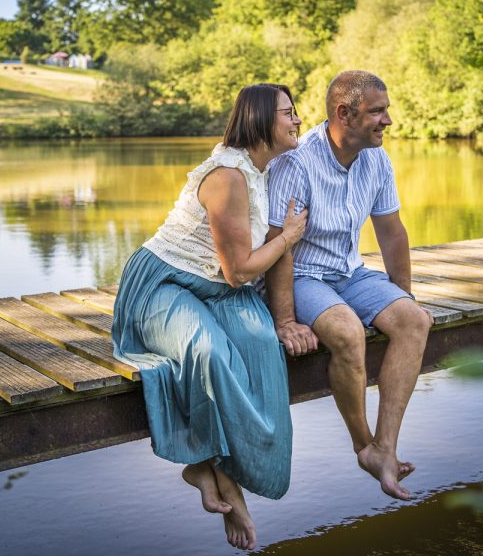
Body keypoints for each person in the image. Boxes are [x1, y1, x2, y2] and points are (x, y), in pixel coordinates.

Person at [112, 83, 307, 551]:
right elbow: (240, 270)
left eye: (296, 113)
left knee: (262, 348)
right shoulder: (228, 176)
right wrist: (288, 237)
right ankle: (210, 469)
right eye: (288, 113)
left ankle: (218, 466)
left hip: (217, 289)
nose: (297, 120)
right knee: (208, 351)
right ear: (260, 121)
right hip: (165, 283)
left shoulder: (263, 169)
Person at [264, 70, 434, 501]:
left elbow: (392, 233)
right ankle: (365, 446)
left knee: (414, 321)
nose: (387, 121)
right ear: (344, 113)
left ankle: (387, 446)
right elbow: (277, 246)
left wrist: (401, 296)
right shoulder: (296, 162)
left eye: (386, 110)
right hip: (301, 272)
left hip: (350, 271)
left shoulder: (377, 158)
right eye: (377, 111)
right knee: (346, 331)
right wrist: (284, 319)